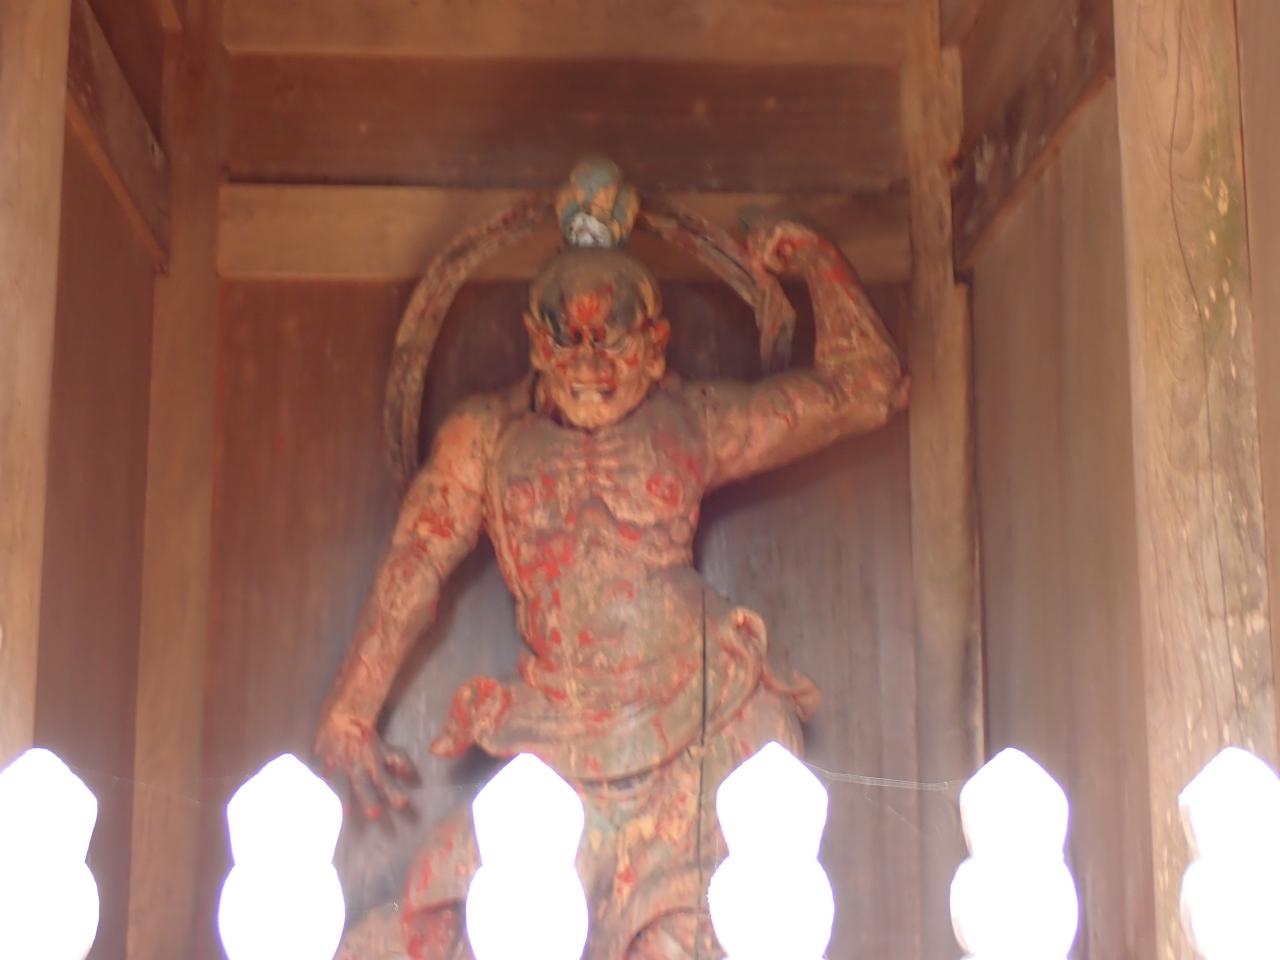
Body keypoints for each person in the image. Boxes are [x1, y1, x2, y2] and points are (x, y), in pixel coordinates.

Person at [315, 162, 908, 959]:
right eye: (569, 339)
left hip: (705, 711)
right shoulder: (485, 441)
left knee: (711, 918)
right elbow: (415, 565)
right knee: (469, 903)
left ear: (656, 345)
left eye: (613, 341)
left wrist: (817, 262)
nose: (591, 363)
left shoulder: (692, 422)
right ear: (535, 339)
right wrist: (351, 709)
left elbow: (866, 390)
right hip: (560, 723)